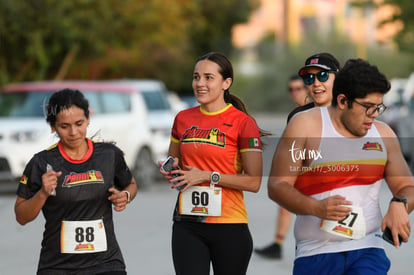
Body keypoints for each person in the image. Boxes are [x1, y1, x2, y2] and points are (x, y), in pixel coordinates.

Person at [267, 58, 414, 275]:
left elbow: (407, 187)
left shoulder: (383, 134)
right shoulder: (304, 125)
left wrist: (400, 203)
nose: (373, 115)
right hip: (315, 253)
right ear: (343, 101)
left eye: (378, 108)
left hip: (367, 250)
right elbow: (277, 185)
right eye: (367, 107)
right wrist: (315, 208)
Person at [160, 52, 266, 275]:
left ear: (226, 83)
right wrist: (169, 169)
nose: (200, 83)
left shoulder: (243, 123)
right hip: (187, 223)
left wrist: (207, 176)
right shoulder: (182, 118)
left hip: (229, 225)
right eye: (196, 77)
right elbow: (174, 163)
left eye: (208, 77)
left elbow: (254, 181)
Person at [15, 88, 137, 275]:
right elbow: (21, 216)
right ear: (52, 127)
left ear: (88, 119)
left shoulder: (109, 155)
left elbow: (131, 184)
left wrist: (126, 196)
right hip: (57, 266)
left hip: (106, 264)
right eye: (64, 126)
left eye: (79, 123)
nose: (73, 132)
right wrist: (42, 194)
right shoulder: (42, 163)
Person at [255, 53, 340, 259]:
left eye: (322, 76)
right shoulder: (297, 117)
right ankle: (278, 242)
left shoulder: (354, 114)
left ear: (339, 78)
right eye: (309, 79)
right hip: (312, 227)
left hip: (357, 233)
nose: (315, 83)